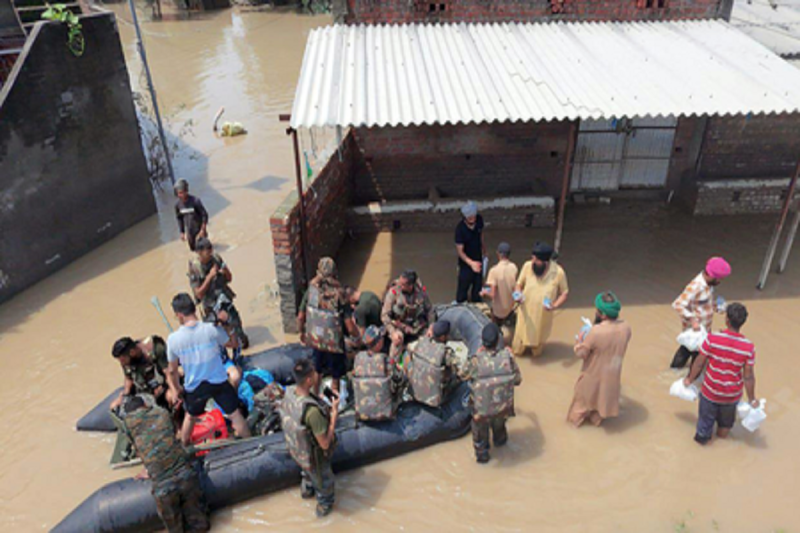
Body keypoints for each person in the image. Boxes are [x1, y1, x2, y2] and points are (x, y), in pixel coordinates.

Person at [165, 293, 250, 445]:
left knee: (190, 417)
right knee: (235, 415)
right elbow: (234, 344)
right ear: (194, 309)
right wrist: (227, 325)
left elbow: (172, 370)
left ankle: (185, 446)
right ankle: (252, 443)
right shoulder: (211, 329)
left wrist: (177, 388)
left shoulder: (173, 339)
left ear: (179, 315)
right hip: (218, 381)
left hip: (194, 386)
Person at [118, 394, 209, 533]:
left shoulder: (128, 425)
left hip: (163, 488)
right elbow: (169, 438)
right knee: (201, 526)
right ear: (145, 405)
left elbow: (140, 448)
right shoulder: (161, 412)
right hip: (187, 476)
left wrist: (149, 469)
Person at [683, 303, 759, 445]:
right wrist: (752, 399)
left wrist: (689, 379)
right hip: (731, 397)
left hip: (710, 393)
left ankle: (702, 449)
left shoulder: (712, 339)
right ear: (743, 323)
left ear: (727, 320)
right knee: (724, 431)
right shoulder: (749, 347)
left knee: (703, 431)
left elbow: (699, 363)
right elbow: (748, 376)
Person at [280, 358, 339, 518]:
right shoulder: (312, 413)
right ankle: (323, 515)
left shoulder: (290, 392)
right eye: (313, 375)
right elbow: (325, 444)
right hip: (315, 458)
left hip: (298, 451)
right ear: (308, 380)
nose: (316, 377)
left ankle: (306, 493)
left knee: (306, 475)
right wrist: (333, 416)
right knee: (325, 489)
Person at [567, 292, 632, 428]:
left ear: (602, 314)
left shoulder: (596, 332)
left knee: (576, 414)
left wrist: (579, 340)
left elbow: (581, 353)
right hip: (612, 379)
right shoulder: (626, 328)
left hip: (591, 379)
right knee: (598, 413)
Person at [462, 323, 522, 463]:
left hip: (481, 412)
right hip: (502, 408)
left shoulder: (476, 361)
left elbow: (462, 374)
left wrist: (477, 354)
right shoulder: (507, 358)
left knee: (480, 439)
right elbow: (518, 380)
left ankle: (483, 458)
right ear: (497, 341)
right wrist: (512, 357)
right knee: (500, 431)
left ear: (483, 343)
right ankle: (500, 443)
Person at [671, 257, 732, 369]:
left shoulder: (709, 286)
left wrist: (718, 307)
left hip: (704, 331)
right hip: (694, 332)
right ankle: (687, 379)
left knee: (691, 354)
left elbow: (704, 302)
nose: (720, 282)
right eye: (719, 279)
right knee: (692, 357)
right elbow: (677, 304)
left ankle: (682, 375)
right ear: (712, 276)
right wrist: (693, 320)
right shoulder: (696, 286)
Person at [297, 257, 347, 395]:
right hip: (334, 342)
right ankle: (334, 403)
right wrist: (356, 336)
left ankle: (315, 395)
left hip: (316, 338)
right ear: (335, 273)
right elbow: (348, 322)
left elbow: (301, 316)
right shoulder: (339, 294)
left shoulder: (311, 291)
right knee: (336, 373)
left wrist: (301, 332)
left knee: (317, 369)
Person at [189, 237, 248, 349]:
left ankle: (241, 347)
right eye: (207, 251)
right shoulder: (195, 268)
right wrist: (210, 276)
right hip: (210, 307)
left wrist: (225, 271)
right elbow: (198, 294)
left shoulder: (216, 258)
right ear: (199, 252)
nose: (210, 253)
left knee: (240, 334)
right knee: (214, 340)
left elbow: (229, 279)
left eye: (211, 249)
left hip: (224, 299)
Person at [512, 242, 569, 357]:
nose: (533, 261)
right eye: (532, 258)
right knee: (517, 350)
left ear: (545, 262)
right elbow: (518, 284)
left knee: (537, 353)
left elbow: (564, 292)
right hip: (525, 314)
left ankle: (536, 349)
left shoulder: (558, 272)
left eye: (536, 260)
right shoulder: (527, 266)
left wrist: (554, 305)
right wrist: (518, 294)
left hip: (542, 317)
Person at [382, 269, 436, 362]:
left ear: (411, 286)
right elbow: (384, 315)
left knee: (431, 340)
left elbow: (430, 310)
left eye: (403, 284)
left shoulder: (421, 292)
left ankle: (427, 363)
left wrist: (431, 327)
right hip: (399, 325)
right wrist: (392, 332)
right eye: (400, 282)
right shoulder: (393, 292)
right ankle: (392, 366)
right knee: (397, 341)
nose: (400, 285)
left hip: (417, 325)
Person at [110, 335, 174, 410]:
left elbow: (168, 372)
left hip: (163, 386)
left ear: (132, 352)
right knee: (113, 406)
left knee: (171, 396)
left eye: (123, 360)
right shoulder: (127, 360)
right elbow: (128, 378)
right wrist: (125, 395)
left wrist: (173, 389)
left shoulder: (154, 349)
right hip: (144, 391)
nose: (122, 363)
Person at [406, 320, 458, 407]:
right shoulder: (446, 353)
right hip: (433, 399)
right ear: (442, 337)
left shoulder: (421, 342)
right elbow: (460, 370)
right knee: (455, 377)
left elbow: (408, 349)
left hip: (414, 392)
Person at [352, 326, 400, 421]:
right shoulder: (386, 360)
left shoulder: (358, 358)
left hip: (363, 408)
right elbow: (400, 378)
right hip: (383, 410)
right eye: (381, 338)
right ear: (378, 343)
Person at [481, 242, 519, 342]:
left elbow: (492, 294)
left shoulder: (494, 271)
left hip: (498, 311)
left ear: (498, 254)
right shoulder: (514, 268)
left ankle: (498, 339)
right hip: (511, 307)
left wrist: (484, 292)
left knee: (494, 328)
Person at [455, 201, 486, 303]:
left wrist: (484, 249)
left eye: (474, 216)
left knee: (477, 289)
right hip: (466, 264)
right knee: (462, 292)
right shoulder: (460, 230)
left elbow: (481, 234)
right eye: (470, 217)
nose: (473, 219)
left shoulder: (479, 220)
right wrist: (471, 263)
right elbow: (460, 251)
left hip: (478, 259)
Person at [342, 286, 383, 357]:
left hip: (373, 335)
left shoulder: (359, 310)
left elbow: (362, 334)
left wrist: (354, 343)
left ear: (350, 298)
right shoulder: (369, 294)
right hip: (381, 326)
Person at [174, 179, 209, 252]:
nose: (180, 195)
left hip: (200, 230)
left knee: (205, 251)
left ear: (186, 191)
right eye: (179, 193)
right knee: (193, 250)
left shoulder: (195, 201)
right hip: (190, 231)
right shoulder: (177, 205)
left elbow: (204, 215)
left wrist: (203, 229)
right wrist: (182, 232)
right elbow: (179, 218)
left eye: (182, 192)